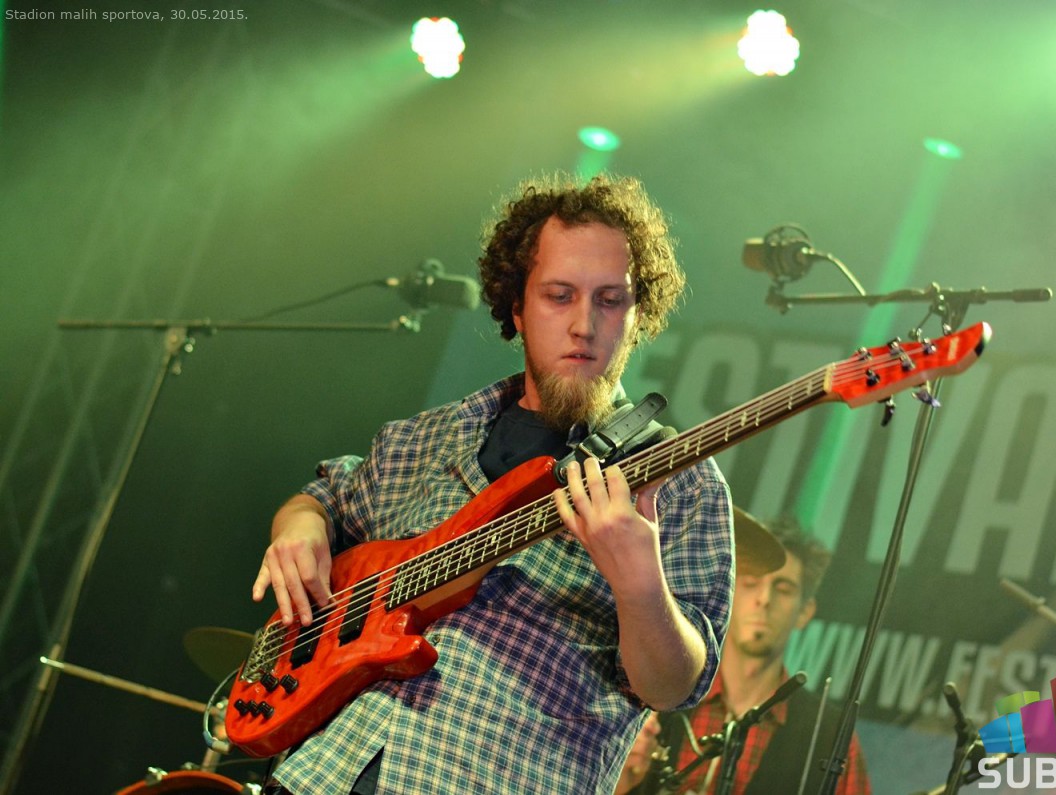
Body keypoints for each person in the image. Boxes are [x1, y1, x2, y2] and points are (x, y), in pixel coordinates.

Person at [248, 173, 734, 794]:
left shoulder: (679, 482)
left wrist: (640, 584)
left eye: (611, 300)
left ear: (638, 316)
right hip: (321, 773)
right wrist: (298, 528)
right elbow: (322, 497)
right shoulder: (426, 437)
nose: (584, 324)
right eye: (559, 295)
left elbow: (672, 687)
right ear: (517, 308)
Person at [618, 516, 871, 795]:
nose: (764, 599)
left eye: (783, 588)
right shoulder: (658, 691)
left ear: (805, 612)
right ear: (727, 594)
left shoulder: (830, 734)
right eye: (750, 583)